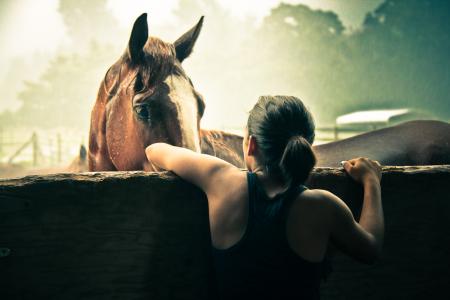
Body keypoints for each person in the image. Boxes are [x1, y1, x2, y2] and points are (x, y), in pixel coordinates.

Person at [145, 95, 384, 300]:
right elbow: (370, 248)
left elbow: (154, 151)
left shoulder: (221, 181)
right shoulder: (323, 205)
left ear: (250, 145)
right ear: (305, 148)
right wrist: (371, 181)